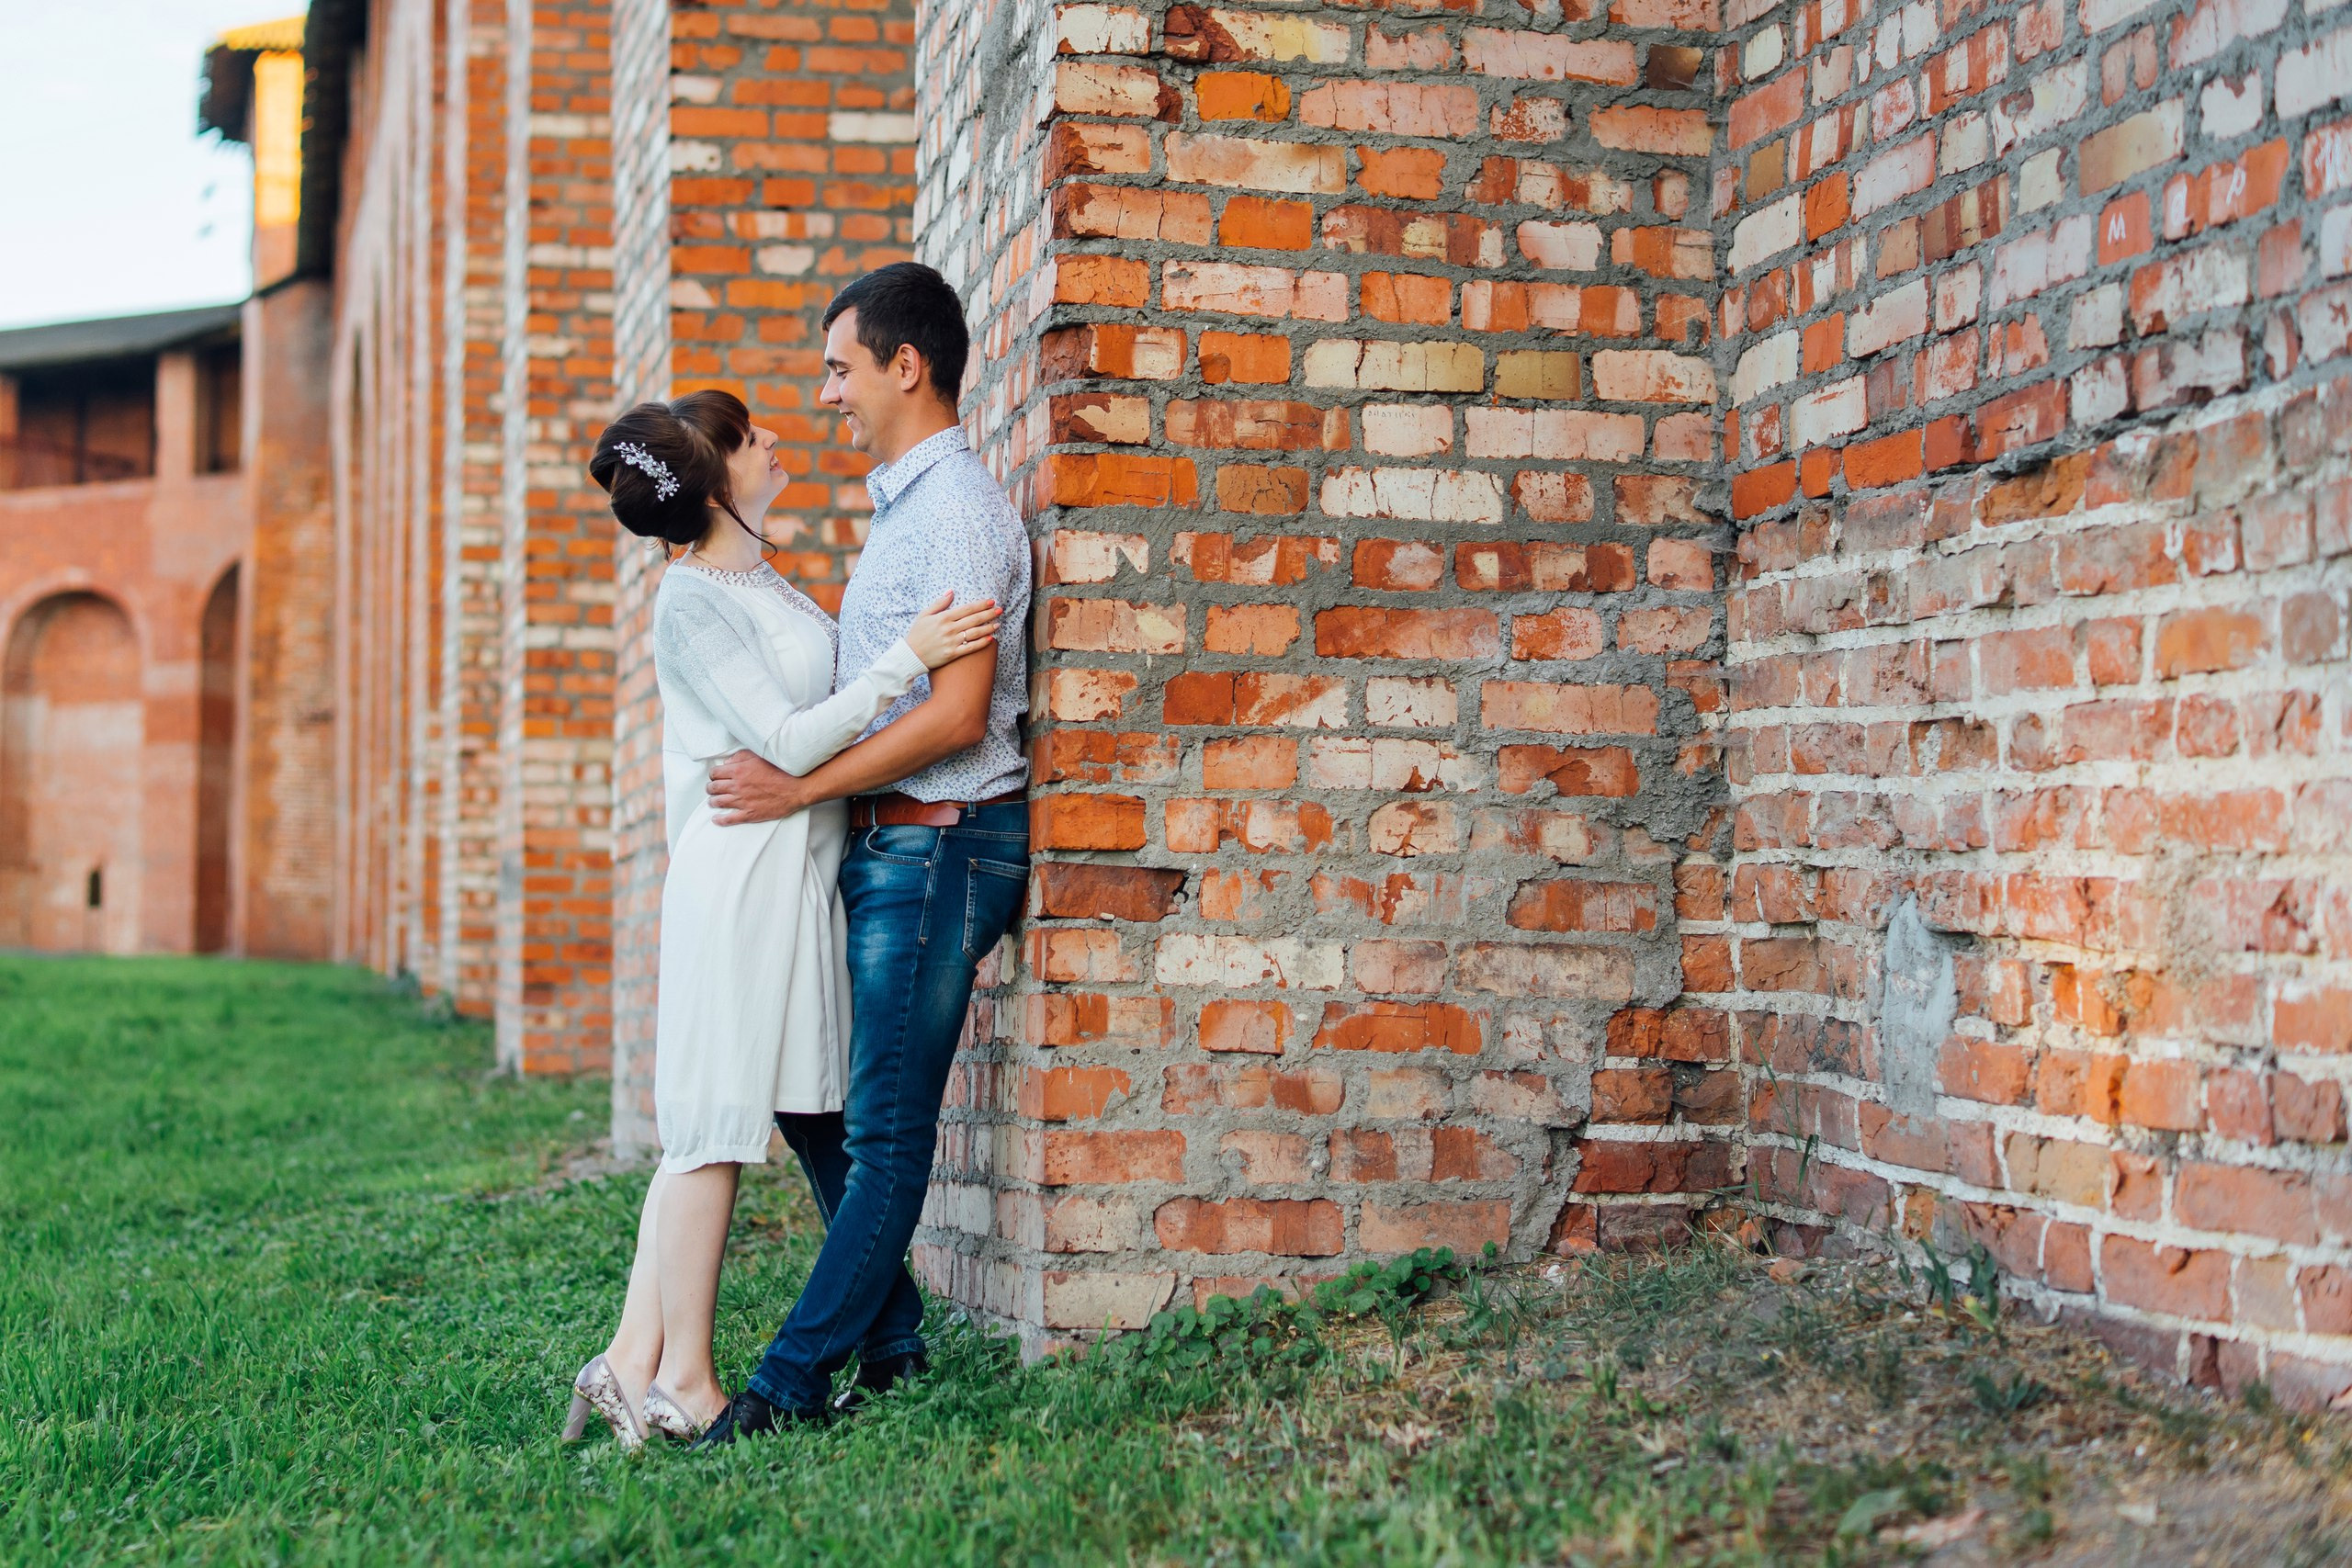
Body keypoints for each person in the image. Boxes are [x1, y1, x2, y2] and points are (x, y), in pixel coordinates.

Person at [563, 387, 1001, 1448]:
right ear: (715, 482)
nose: (773, 439)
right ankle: (683, 1380)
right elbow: (790, 741)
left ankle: (630, 1360)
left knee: (749, 1117)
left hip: (793, 870)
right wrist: (912, 655)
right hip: (741, 874)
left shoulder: (753, 578)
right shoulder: (690, 600)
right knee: (712, 1125)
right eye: (750, 438)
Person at [692, 261, 1032, 1444]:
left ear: (906, 365)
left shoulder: (957, 513)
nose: (827, 393)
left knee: (883, 1133)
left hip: (940, 849)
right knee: (815, 1108)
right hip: (886, 850)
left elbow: (959, 716)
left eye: (840, 369)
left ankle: (786, 1385)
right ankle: (890, 1345)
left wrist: (799, 789)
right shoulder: (905, 512)